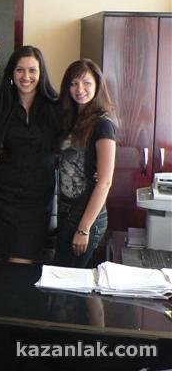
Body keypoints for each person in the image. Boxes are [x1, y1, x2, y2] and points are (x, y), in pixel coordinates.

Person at [0, 46, 61, 264]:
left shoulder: (55, 106)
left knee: (21, 264)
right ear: (12, 72)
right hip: (3, 198)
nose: (26, 77)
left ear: (41, 73)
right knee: (0, 266)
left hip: (37, 201)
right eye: (20, 70)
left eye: (32, 70)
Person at [53, 59, 116, 268]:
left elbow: (105, 182)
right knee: (62, 276)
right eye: (74, 83)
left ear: (97, 85)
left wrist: (84, 228)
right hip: (66, 210)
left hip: (86, 216)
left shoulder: (103, 124)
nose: (80, 89)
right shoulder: (71, 120)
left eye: (86, 83)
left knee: (68, 281)